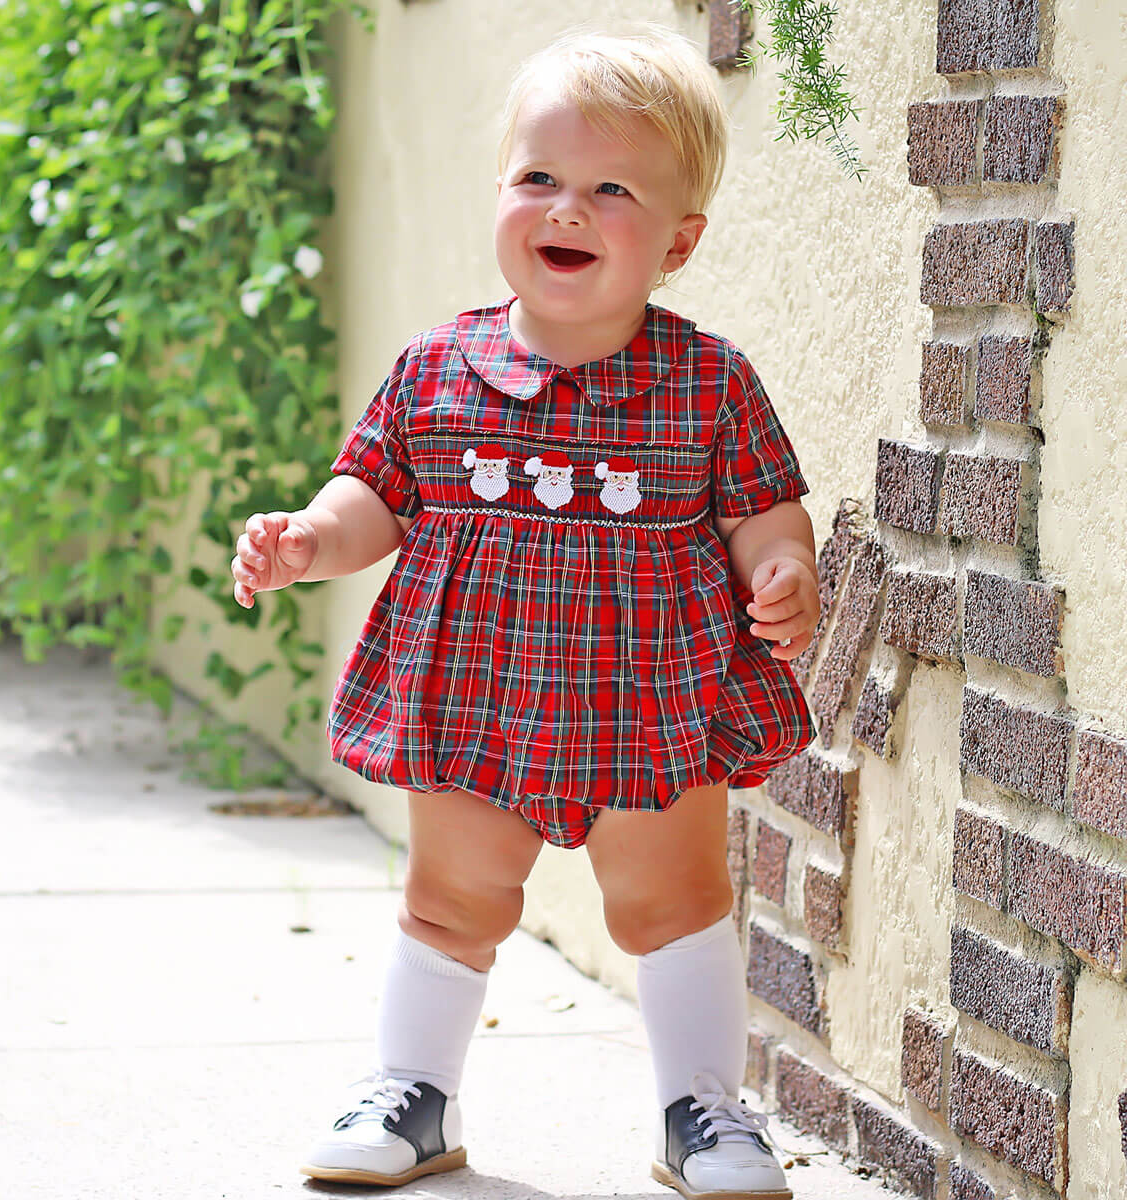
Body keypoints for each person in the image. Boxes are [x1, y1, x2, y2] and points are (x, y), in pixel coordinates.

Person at [230, 25, 819, 1200]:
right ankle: (412, 1094)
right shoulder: (436, 367)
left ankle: (700, 1111)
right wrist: (309, 539)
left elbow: (767, 508)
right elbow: (376, 494)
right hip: (474, 685)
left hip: (651, 695)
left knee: (673, 901)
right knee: (451, 897)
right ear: (503, 194)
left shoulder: (709, 383)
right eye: (541, 178)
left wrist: (781, 571)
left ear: (678, 242)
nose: (568, 209)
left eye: (613, 190)